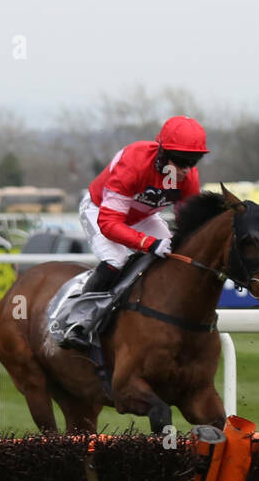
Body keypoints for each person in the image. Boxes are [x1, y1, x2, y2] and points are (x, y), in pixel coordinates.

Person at [60, 115, 208, 349]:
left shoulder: (189, 178)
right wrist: (148, 243)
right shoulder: (134, 162)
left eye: (192, 161)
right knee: (117, 259)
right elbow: (109, 223)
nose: (185, 170)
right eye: (180, 161)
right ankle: (76, 320)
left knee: (177, 255)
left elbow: (189, 226)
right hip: (100, 210)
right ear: (162, 152)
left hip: (143, 216)